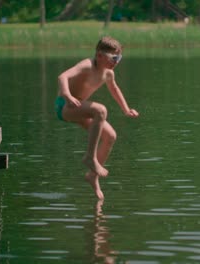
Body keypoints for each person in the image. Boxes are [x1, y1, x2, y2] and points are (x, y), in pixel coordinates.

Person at [55, 36, 139, 200]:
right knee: (100, 110)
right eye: (113, 58)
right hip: (65, 106)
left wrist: (126, 109)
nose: (116, 62)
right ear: (99, 55)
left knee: (110, 137)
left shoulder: (108, 74)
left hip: (80, 108)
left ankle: (93, 175)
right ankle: (90, 157)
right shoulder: (86, 65)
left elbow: (114, 90)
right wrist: (66, 95)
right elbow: (62, 76)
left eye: (119, 58)